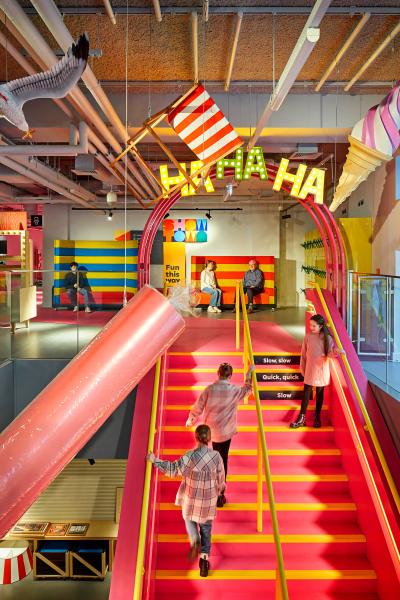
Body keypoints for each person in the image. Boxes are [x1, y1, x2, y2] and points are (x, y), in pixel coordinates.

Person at [147, 424, 225, 578]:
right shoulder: (216, 457)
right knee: (207, 530)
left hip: (191, 500)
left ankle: (194, 539)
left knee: (188, 519)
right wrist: (220, 490)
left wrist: (154, 460)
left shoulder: (189, 456)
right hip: (207, 502)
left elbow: (172, 469)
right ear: (209, 439)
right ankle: (204, 561)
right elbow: (221, 479)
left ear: (196, 438)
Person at [186, 362, 254, 506]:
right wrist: (249, 374)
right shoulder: (234, 390)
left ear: (218, 373)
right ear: (230, 375)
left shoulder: (209, 389)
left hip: (211, 431)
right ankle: (219, 494)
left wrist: (191, 419)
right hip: (225, 432)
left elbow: (198, 406)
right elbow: (248, 390)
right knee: (222, 461)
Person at [290, 314, 345, 429]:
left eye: (314, 326)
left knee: (320, 394)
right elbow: (303, 354)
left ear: (321, 326)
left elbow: (329, 353)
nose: (311, 327)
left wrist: (337, 351)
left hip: (321, 370)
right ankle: (301, 417)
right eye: (310, 325)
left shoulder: (327, 338)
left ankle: (317, 417)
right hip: (310, 369)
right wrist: (303, 368)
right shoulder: (308, 337)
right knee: (306, 393)